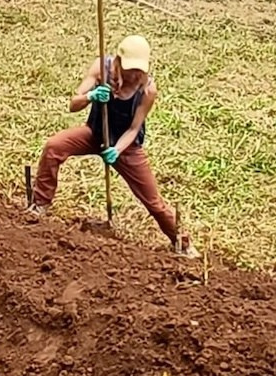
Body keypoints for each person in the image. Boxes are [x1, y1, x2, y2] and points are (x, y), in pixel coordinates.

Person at [29, 33, 192, 252]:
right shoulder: (101, 69)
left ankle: (181, 243)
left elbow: (134, 129)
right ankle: (39, 205)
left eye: (139, 70)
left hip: (125, 147)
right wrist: (91, 96)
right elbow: (73, 104)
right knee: (54, 147)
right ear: (119, 61)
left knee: (153, 201)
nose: (135, 75)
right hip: (94, 133)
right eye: (130, 69)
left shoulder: (148, 90)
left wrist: (116, 149)